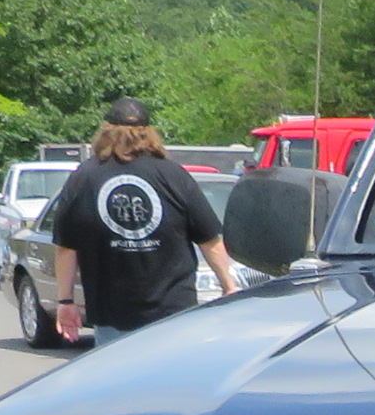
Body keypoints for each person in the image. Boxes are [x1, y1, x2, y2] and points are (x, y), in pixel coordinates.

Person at [44, 98, 239, 348]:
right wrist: (229, 286)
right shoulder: (173, 175)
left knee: (119, 385)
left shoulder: (84, 177)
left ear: (105, 132)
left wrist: (65, 302)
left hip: (112, 316)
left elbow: (66, 247)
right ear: (149, 134)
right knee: (173, 385)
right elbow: (209, 239)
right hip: (173, 314)